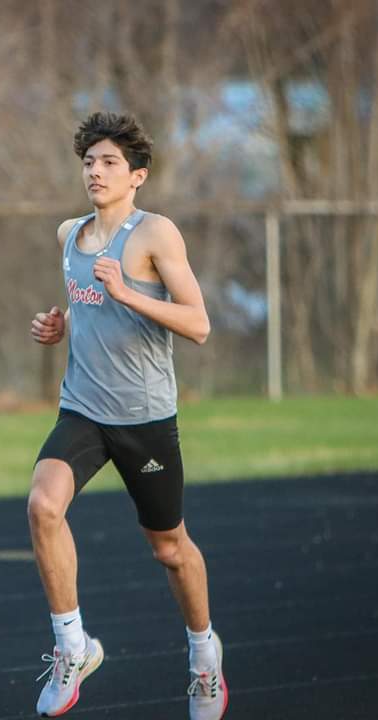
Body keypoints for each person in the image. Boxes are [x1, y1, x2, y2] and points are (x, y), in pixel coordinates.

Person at [27, 112, 226, 719]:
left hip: (144, 418)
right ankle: (73, 645)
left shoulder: (155, 234)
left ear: (137, 176)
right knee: (42, 506)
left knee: (170, 548)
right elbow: (83, 309)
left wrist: (130, 293)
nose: (95, 171)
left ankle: (204, 658)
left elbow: (198, 324)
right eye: (89, 161)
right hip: (84, 407)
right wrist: (57, 327)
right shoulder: (69, 232)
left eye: (110, 162)